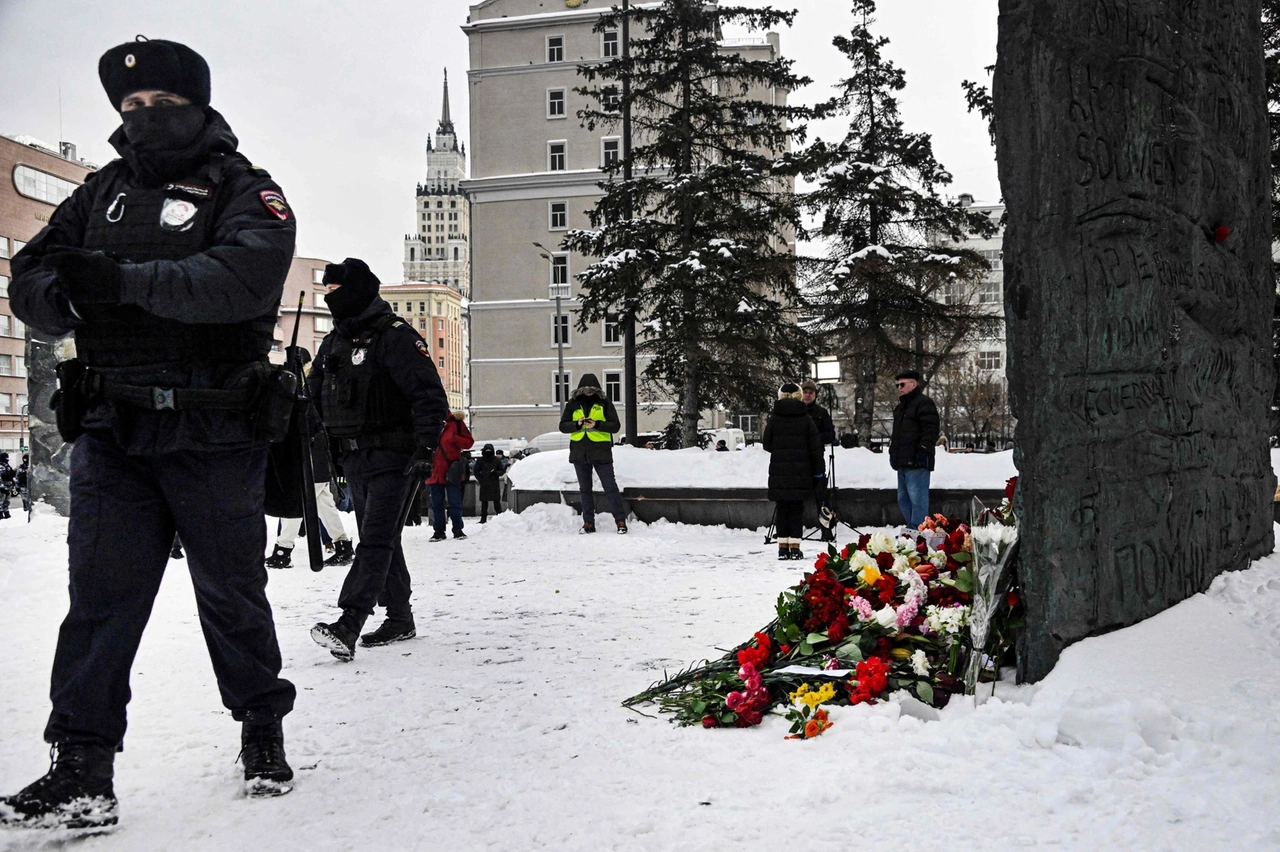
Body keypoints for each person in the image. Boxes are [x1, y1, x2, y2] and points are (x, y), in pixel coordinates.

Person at [1, 37, 300, 825]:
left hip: (213, 429)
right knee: (98, 603)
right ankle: (81, 769)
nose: (143, 119)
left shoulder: (245, 189)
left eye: (161, 106)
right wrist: (62, 301)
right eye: (130, 109)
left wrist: (118, 282)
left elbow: (238, 280)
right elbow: (31, 275)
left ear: (197, 106)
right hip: (113, 430)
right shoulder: (97, 194)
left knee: (231, 595)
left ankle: (261, 728)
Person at [308, 258, 449, 662]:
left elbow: (428, 396)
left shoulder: (395, 337)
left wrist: (425, 448)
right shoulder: (334, 342)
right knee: (384, 539)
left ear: (357, 291)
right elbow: (315, 398)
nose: (331, 300)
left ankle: (349, 622)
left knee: (374, 540)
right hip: (355, 458)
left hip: (395, 456)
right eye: (327, 293)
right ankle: (400, 617)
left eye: (336, 292)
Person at [265, 393, 353, 569]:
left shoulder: (299, 408)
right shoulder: (311, 409)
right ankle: (343, 546)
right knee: (325, 507)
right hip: (318, 465)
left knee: (297, 504)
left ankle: (283, 551)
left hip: (310, 466)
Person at [763, 382, 824, 560]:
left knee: (782, 508)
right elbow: (815, 448)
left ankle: (782, 548)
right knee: (797, 509)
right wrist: (818, 472)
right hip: (801, 471)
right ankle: (795, 548)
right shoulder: (806, 419)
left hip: (779, 471)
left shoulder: (774, 419)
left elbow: (767, 444)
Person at [559, 374, 627, 534]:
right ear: (580, 390)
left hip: (601, 452)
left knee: (610, 487)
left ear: (597, 390)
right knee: (585, 489)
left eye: (592, 390)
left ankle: (620, 521)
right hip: (579, 453)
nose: (589, 392)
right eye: (585, 389)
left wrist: (597, 424)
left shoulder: (604, 403)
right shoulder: (573, 404)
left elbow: (615, 426)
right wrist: (577, 424)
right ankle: (588, 523)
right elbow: (563, 426)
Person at [889, 369, 940, 529]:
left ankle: (918, 530)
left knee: (917, 500)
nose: (899, 387)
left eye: (902, 384)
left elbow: (930, 430)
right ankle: (913, 528)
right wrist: (893, 453)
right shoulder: (901, 408)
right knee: (903, 499)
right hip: (903, 461)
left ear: (914, 384)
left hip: (917, 461)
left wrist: (922, 450)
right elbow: (897, 435)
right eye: (897, 385)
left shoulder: (923, 403)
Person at [427, 410, 474, 541]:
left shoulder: (456, 423)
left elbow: (469, 442)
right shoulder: (428, 424)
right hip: (434, 472)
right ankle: (439, 530)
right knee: (436, 504)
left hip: (452, 470)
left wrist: (455, 439)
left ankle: (458, 529)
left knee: (455, 503)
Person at [473, 443, 505, 523]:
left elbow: (502, 471)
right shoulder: (480, 460)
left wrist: (496, 473)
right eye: (486, 450)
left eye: (489, 450)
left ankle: (499, 517)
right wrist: (480, 479)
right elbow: (476, 471)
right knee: (484, 502)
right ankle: (483, 518)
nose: (488, 452)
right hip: (484, 483)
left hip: (494, 483)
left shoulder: (496, 460)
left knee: (496, 502)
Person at [0, 452, 14, 519]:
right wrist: (2, 487)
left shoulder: (7, 466)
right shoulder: (1, 466)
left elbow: (10, 475)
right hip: (2, 487)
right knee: (1, 501)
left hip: (8, 486)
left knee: (7, 501)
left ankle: (6, 513)